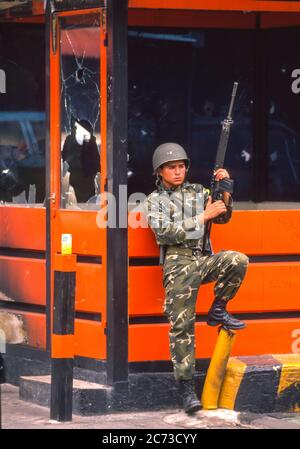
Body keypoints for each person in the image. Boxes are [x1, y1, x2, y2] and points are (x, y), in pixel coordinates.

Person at [144, 142, 249, 415]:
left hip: (201, 258)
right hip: (177, 264)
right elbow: (164, 233)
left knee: (237, 260)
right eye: (171, 167)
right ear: (160, 172)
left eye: (181, 166)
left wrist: (225, 189)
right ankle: (186, 387)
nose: (178, 171)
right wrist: (204, 216)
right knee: (182, 327)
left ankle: (218, 308)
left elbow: (222, 217)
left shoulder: (197, 191)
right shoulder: (155, 200)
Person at [62, 119, 100, 203]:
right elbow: (65, 156)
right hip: (76, 176)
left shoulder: (91, 142)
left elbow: (96, 159)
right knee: (79, 201)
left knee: (88, 201)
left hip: (87, 177)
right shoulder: (70, 140)